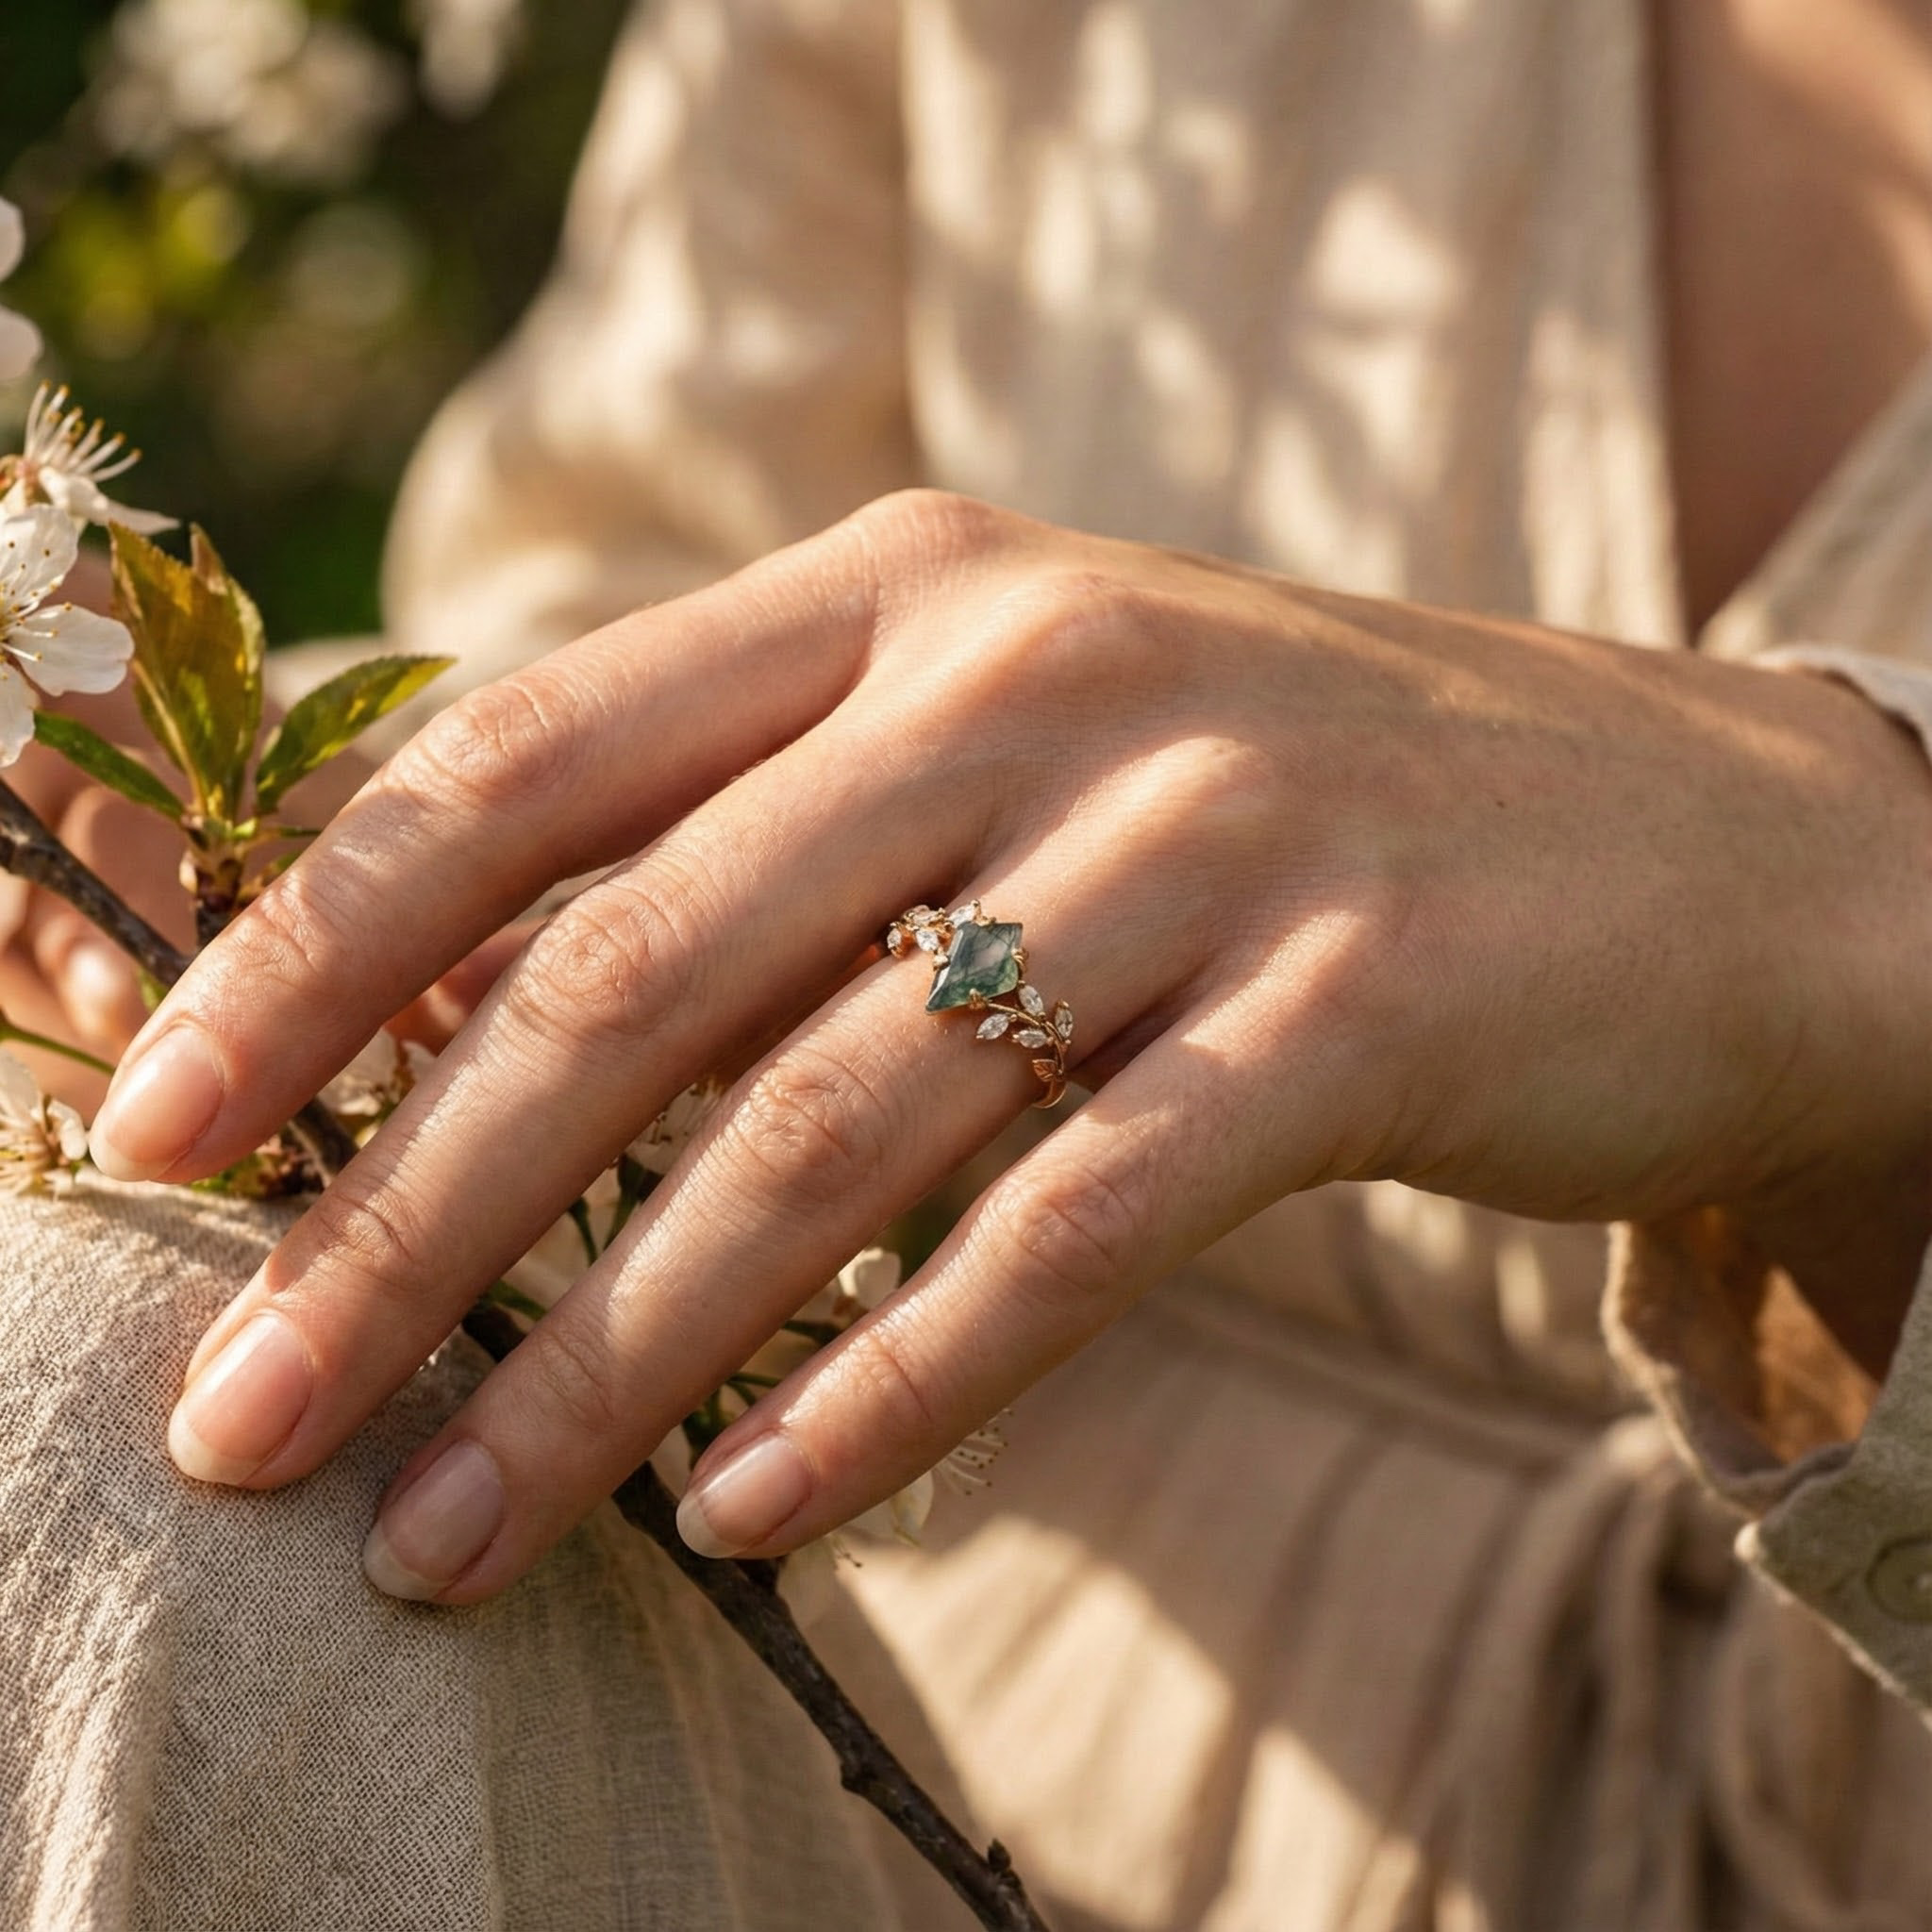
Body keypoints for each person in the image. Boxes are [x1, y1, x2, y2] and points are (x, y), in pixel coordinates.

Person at [14, 0, 1932, 1924]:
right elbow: (651, 587)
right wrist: (357, 849)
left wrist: (1856, 882)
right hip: (948, 1711)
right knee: (96, 1405)